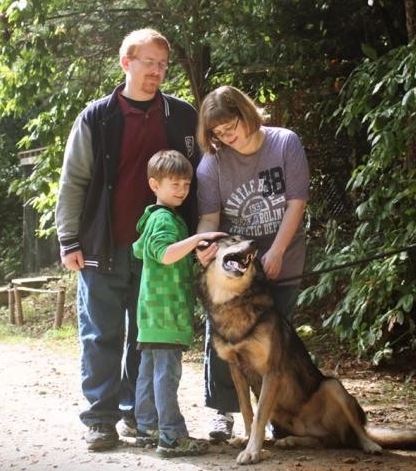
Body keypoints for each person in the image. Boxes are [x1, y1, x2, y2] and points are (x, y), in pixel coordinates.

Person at [55, 29, 200, 451]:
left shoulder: (181, 116)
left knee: (145, 336)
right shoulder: (97, 117)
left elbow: (201, 176)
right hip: (104, 244)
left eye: (162, 64)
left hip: (160, 253)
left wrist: (201, 239)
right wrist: (69, 240)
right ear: (126, 62)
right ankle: (100, 420)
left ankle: (140, 416)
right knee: (100, 334)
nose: (156, 71)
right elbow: (74, 181)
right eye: (148, 62)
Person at [194, 85, 310, 440]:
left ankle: (278, 419)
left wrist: (275, 250)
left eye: (231, 127)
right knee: (226, 339)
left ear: (246, 114)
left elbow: (296, 202)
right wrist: (203, 242)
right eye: (218, 133)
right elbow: (210, 218)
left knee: (276, 348)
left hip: (283, 259)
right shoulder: (212, 163)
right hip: (235, 274)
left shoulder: (285, 142)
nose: (226, 137)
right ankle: (222, 412)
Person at [131, 150, 226, 457]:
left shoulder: (156, 217)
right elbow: (164, 253)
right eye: (175, 183)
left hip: (151, 313)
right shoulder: (163, 220)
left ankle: (148, 427)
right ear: (154, 184)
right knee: (165, 375)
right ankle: (171, 435)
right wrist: (199, 240)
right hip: (165, 312)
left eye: (186, 183)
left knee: (149, 371)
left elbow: (146, 253)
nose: (183, 189)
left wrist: (194, 254)